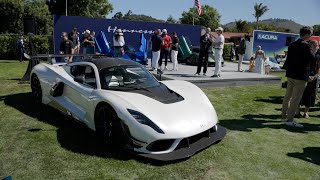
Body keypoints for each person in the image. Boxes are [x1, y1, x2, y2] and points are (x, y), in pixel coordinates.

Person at [281, 26, 314, 128]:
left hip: (291, 75)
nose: (311, 36)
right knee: (295, 99)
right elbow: (311, 59)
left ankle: (283, 115)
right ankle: (290, 120)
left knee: (287, 97)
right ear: (307, 34)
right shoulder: (306, 45)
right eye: (311, 34)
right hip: (300, 77)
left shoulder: (292, 45)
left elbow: (289, 60)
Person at [299, 40, 320, 118]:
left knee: (310, 95)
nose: (316, 47)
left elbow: (318, 67)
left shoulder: (318, 55)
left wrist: (315, 76)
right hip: (304, 76)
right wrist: (306, 76)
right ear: (310, 46)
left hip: (313, 77)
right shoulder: (305, 54)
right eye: (314, 45)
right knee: (300, 94)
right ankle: (297, 111)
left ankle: (306, 112)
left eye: (317, 45)